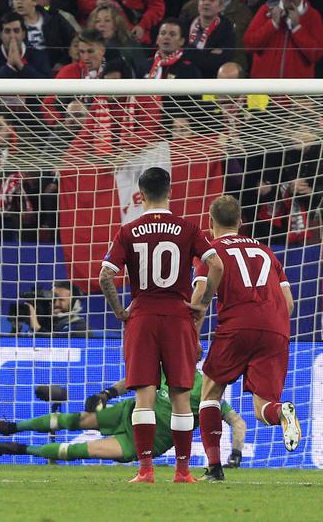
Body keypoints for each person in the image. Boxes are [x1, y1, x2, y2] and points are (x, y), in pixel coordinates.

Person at [98, 166, 223, 484]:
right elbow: (216, 265)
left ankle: (145, 470)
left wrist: (120, 311)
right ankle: (182, 471)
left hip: (142, 316)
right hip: (178, 315)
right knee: (182, 394)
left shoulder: (128, 230)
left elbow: (105, 276)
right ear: (169, 191)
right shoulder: (188, 228)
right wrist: (202, 302)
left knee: (145, 395)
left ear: (140, 194)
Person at [191, 195, 300, 481]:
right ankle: (283, 412)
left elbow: (201, 301)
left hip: (237, 326)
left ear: (210, 222)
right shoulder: (266, 252)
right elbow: (288, 304)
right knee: (264, 409)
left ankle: (214, 468)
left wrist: (192, 338)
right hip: (276, 329)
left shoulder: (210, 252)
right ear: (241, 222)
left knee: (210, 393)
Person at [0, 371, 246, 465]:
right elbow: (135, 380)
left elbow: (238, 422)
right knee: (75, 420)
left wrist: (235, 451)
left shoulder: (207, 393)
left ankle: (20, 449)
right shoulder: (167, 369)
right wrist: (106, 393)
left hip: (143, 442)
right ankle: (11, 427)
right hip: (127, 412)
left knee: (81, 450)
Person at [243, 0, 323, 79]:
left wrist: (297, 28)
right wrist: (272, 25)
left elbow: (316, 55)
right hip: (264, 89)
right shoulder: (265, 11)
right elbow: (248, 45)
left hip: (297, 91)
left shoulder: (313, 16)